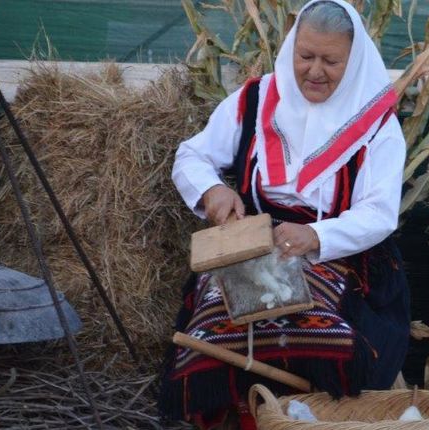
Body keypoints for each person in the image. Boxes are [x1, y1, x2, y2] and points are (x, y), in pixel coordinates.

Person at [159, 0, 410, 428]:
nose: (314, 71)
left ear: (353, 61)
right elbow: (191, 155)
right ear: (292, 47)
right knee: (214, 326)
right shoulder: (256, 100)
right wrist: (213, 189)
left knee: (324, 336)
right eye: (305, 56)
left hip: (336, 251)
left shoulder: (375, 124)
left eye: (331, 61)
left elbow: (379, 213)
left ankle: (312, 418)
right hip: (252, 243)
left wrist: (315, 236)